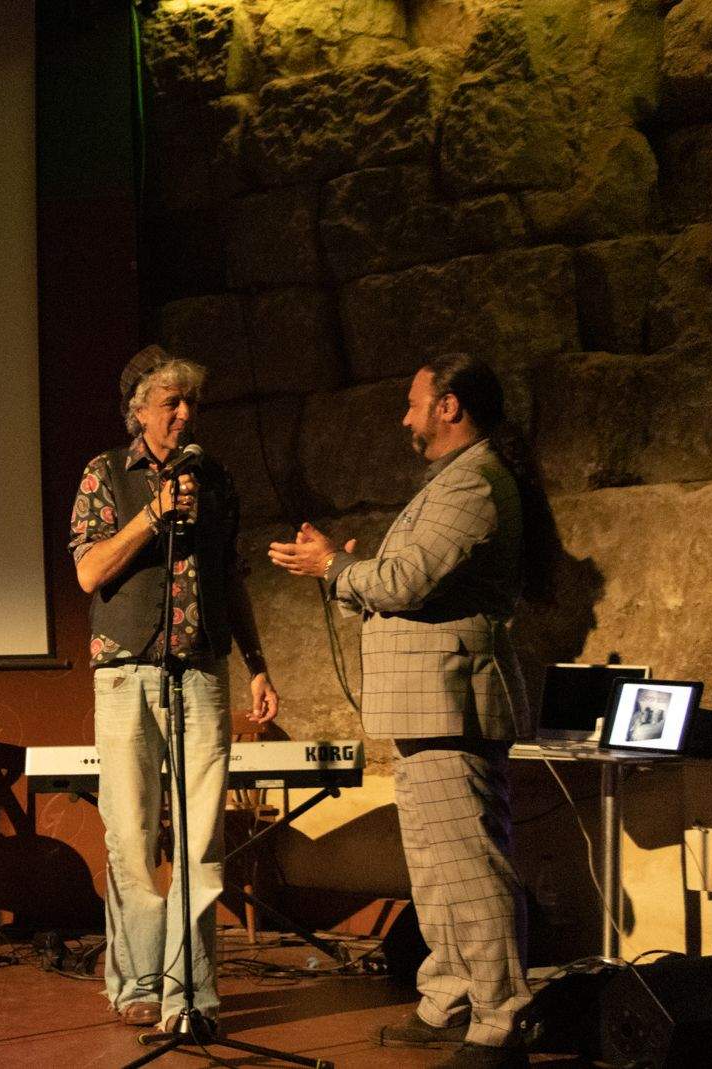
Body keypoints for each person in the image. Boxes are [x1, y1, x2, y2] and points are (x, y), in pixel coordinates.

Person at [270, 353, 554, 1069]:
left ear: (450, 406)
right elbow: (399, 582)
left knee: (470, 867)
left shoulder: (477, 484)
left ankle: (502, 1018)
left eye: (414, 402)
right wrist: (341, 569)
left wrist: (335, 567)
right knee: (434, 867)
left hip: (453, 703)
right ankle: (451, 997)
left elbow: (403, 581)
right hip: (426, 704)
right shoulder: (457, 480)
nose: (406, 416)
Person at [69, 346, 279, 1031]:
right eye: (170, 403)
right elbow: (89, 570)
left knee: (201, 839)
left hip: (201, 668)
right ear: (138, 410)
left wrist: (258, 662)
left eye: (190, 402)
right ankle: (136, 979)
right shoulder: (105, 474)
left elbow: (232, 576)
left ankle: (189, 989)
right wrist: (152, 515)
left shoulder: (214, 478)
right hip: (126, 669)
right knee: (130, 834)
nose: (184, 414)